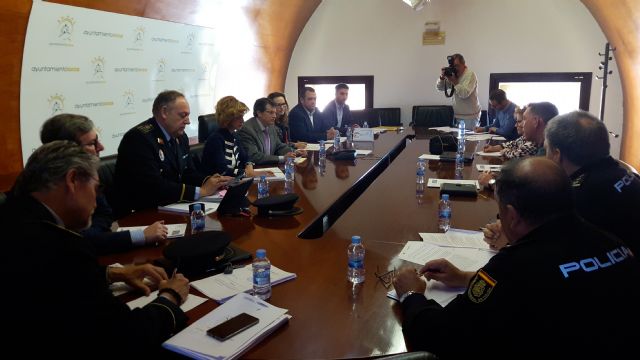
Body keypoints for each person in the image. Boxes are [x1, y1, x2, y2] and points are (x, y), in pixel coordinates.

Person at [393, 157, 640, 358]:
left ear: (511, 215)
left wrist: (411, 295)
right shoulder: (612, 242)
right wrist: (465, 277)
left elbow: (441, 336)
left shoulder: (514, 267)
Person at [3, 141, 190, 357]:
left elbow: (46, 282)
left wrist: (112, 272)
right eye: (96, 187)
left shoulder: (13, 214)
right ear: (72, 180)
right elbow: (124, 337)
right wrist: (170, 297)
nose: (96, 198)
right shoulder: (63, 247)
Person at [39, 113, 168, 255]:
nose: (101, 147)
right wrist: (139, 236)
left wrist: (92, 235)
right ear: (65, 151)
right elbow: (73, 242)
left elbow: (104, 214)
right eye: (92, 143)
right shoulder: (46, 188)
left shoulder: (87, 173)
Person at [114, 90, 230, 214]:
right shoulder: (139, 139)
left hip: (170, 206)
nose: (188, 121)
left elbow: (186, 172)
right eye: (183, 115)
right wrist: (201, 191)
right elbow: (153, 186)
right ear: (164, 112)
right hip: (139, 214)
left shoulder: (180, 137)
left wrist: (211, 181)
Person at [545, 110, 640, 256]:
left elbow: (549, 250)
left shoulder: (576, 197)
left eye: (547, 149)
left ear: (557, 155)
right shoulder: (623, 172)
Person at [200, 96, 274, 178]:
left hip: (234, 181)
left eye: (242, 116)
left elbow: (246, 158)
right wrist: (247, 173)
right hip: (218, 186)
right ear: (228, 117)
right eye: (238, 117)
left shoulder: (234, 135)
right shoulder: (215, 140)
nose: (242, 121)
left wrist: (249, 167)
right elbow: (223, 170)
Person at [478, 106, 537, 188]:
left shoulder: (533, 145)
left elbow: (520, 190)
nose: (516, 125)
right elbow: (513, 144)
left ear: (536, 122)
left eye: (520, 121)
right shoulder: (526, 138)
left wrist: (492, 182)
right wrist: (494, 148)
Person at [236, 97, 306, 165]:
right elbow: (254, 156)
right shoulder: (247, 129)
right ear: (259, 113)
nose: (274, 116)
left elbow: (279, 146)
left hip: (269, 167)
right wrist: (281, 158)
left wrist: (295, 152)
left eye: (275, 113)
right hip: (255, 169)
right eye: (271, 112)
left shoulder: (271, 126)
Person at [436, 53, 481, 129]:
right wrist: (442, 78)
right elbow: (440, 88)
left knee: (469, 140)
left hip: (470, 117)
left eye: (457, 66)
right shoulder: (453, 75)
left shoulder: (470, 75)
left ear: (463, 64)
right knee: (457, 140)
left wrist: (455, 82)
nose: (455, 68)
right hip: (457, 115)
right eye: (453, 66)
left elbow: (464, 94)